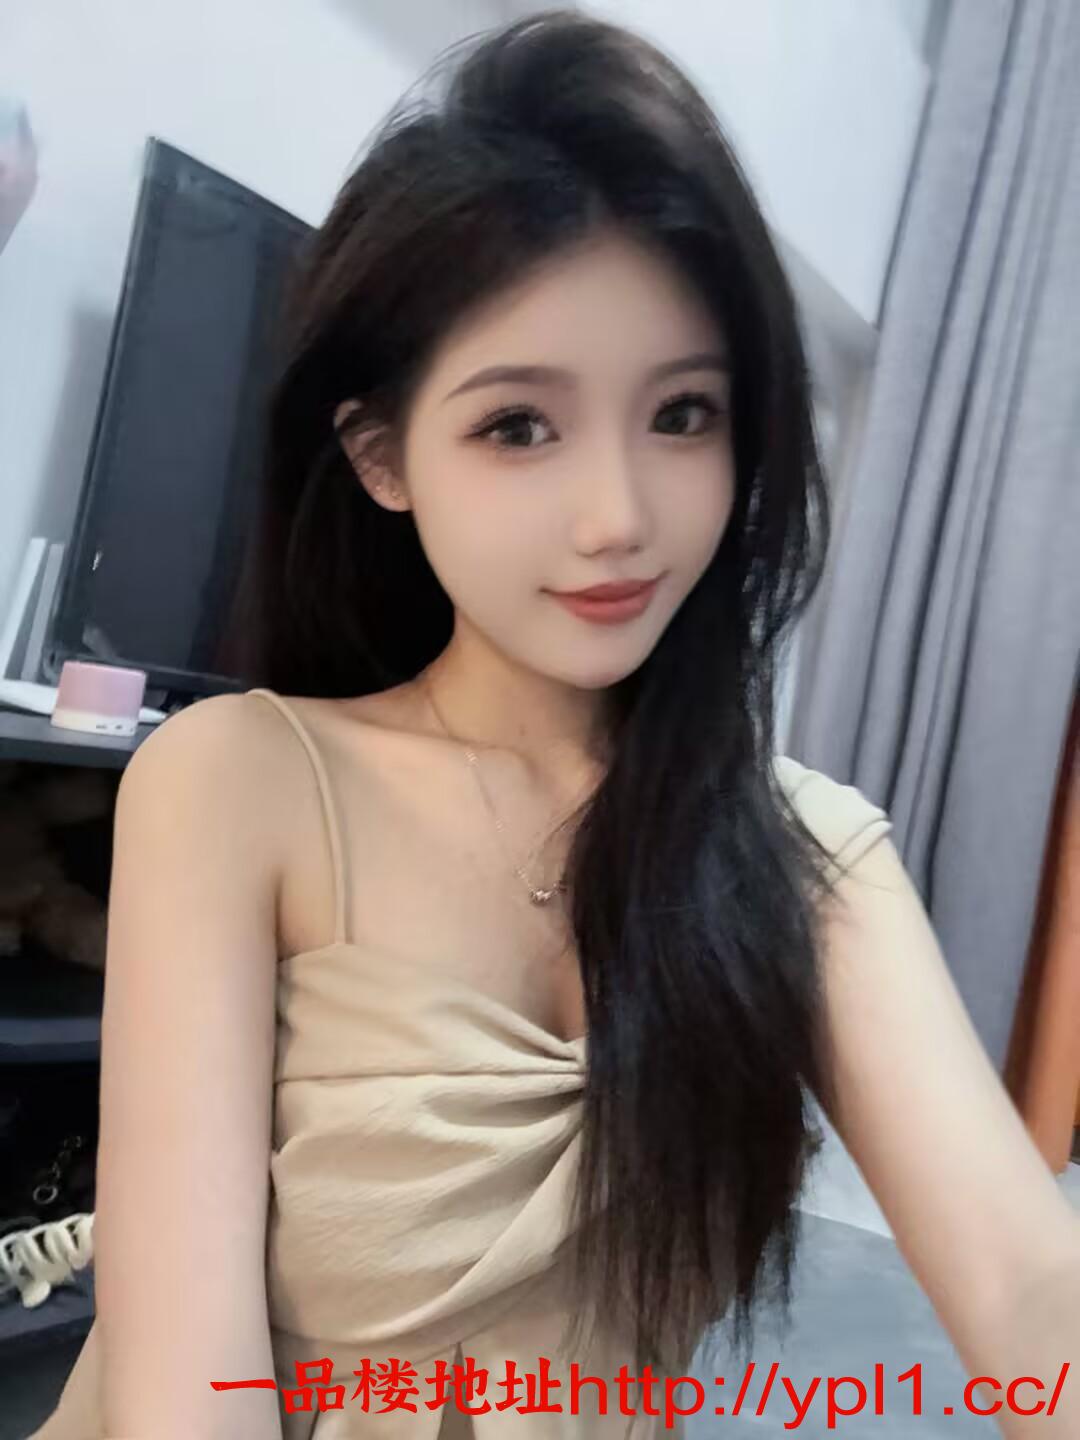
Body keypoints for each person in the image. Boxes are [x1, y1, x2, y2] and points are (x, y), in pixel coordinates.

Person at [28, 10, 1079, 1440]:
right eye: (519, 426)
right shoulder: (240, 781)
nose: (617, 517)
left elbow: (1029, 1287)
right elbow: (186, 1391)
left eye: (683, 414)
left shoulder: (805, 858)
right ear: (382, 456)